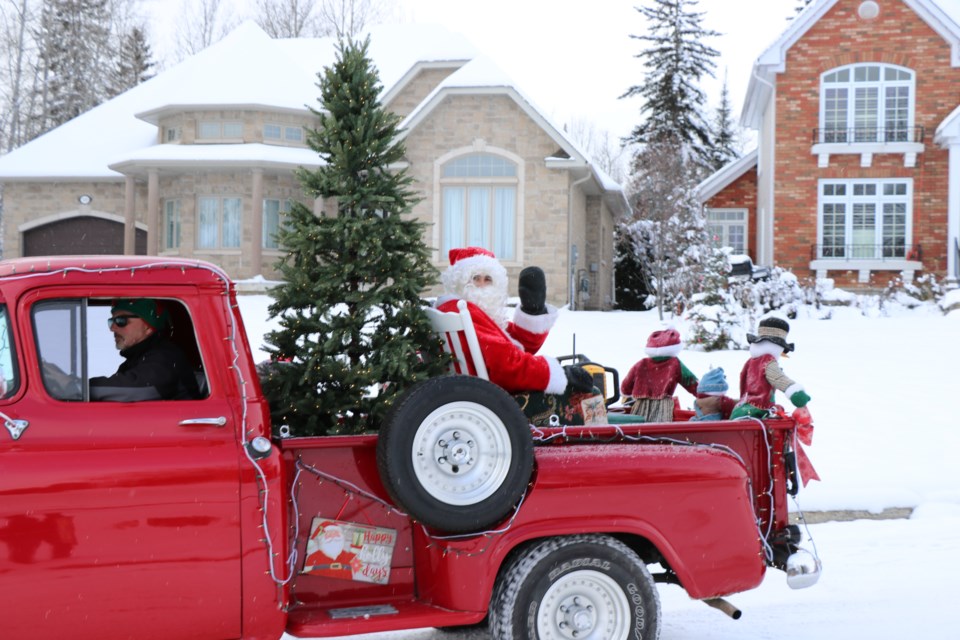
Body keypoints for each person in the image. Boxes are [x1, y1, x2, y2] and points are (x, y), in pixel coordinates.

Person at [436, 247, 597, 423]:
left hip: (481, 394)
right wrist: (562, 374)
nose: (482, 285)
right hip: (496, 403)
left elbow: (504, 343)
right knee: (590, 396)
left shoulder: (457, 310)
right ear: (460, 281)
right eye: (476, 279)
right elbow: (507, 366)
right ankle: (599, 446)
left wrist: (533, 312)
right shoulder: (466, 312)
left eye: (488, 279)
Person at [89, 299, 201, 401]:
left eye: (120, 320)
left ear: (148, 327)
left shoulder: (166, 357)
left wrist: (80, 388)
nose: (112, 328)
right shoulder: (135, 361)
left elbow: (137, 389)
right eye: (111, 321)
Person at [730, 317, 811, 419]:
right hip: (757, 410)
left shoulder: (751, 361)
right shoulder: (767, 361)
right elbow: (778, 378)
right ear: (777, 346)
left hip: (744, 408)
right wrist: (795, 393)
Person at [620, 328, 699, 423]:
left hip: (640, 405)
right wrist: (704, 394)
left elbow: (626, 386)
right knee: (660, 429)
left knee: (640, 427)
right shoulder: (674, 364)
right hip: (664, 407)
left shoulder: (641, 364)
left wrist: (627, 393)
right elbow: (690, 382)